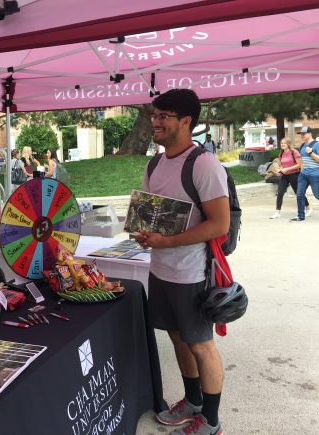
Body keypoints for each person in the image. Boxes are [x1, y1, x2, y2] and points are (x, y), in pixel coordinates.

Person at [134, 89, 229, 435]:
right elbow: (149, 215)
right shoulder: (155, 163)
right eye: (154, 115)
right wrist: (143, 233)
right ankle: (193, 403)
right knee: (177, 337)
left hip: (192, 273)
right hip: (160, 270)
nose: (155, 122)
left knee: (201, 344)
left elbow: (219, 224)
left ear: (186, 121)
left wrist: (168, 241)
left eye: (163, 116)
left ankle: (212, 422)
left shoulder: (204, 164)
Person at [269, 138, 311, 219]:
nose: (282, 145)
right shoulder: (281, 154)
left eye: (284, 143)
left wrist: (287, 169)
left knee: (298, 193)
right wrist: (281, 169)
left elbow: (299, 165)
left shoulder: (294, 152)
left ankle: (308, 208)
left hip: (294, 175)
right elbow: (281, 164)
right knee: (280, 193)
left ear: (288, 144)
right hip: (284, 176)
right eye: (281, 143)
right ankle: (277, 212)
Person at [291, 126, 319, 222]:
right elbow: (302, 161)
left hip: (315, 174)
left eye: (304, 134)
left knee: (317, 195)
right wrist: (301, 172)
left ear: (310, 133)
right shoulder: (302, 146)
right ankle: (300, 216)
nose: (302, 136)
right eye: (301, 134)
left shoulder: (317, 145)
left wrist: (311, 153)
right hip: (303, 175)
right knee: (299, 194)